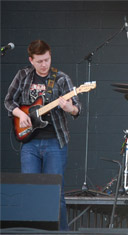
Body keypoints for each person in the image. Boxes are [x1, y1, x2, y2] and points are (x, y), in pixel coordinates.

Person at [4, 40, 82, 230]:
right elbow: (8, 101)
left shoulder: (61, 79)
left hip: (55, 143)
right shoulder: (22, 76)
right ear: (31, 60)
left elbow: (77, 109)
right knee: (29, 190)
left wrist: (68, 107)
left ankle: (61, 233)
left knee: (56, 194)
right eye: (39, 61)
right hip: (29, 143)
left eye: (46, 59)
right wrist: (21, 114)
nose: (44, 64)